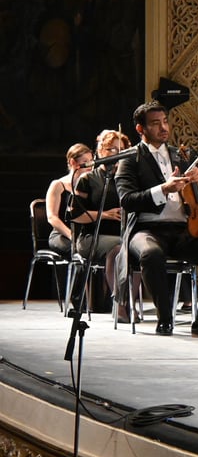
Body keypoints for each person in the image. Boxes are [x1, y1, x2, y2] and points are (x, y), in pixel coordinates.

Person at [114, 100, 198, 339]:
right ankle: (165, 318)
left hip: (181, 230)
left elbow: (196, 193)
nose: (163, 128)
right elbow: (127, 200)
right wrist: (163, 189)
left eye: (165, 122)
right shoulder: (130, 159)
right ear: (140, 129)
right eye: (155, 124)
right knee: (150, 254)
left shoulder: (181, 154)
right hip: (146, 229)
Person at [68, 130, 133, 319]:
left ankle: (130, 304)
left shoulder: (126, 179)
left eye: (122, 150)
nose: (116, 153)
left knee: (133, 249)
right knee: (119, 248)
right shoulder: (88, 179)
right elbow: (76, 215)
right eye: (111, 149)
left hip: (122, 235)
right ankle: (119, 304)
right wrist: (105, 215)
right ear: (101, 151)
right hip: (91, 237)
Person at [46, 143, 94, 257]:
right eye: (85, 161)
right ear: (73, 162)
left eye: (91, 161)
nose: (90, 165)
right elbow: (52, 217)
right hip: (62, 235)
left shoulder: (91, 185)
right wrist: (72, 236)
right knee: (81, 251)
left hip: (83, 235)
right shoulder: (58, 184)